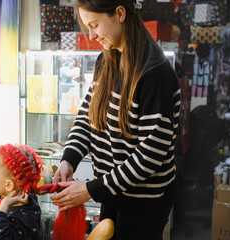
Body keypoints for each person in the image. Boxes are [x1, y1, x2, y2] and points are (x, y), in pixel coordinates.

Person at [50, 1, 181, 239]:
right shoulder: (107, 60)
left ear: (120, 13)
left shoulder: (154, 72)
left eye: (95, 25)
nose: (91, 35)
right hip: (112, 191)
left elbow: (150, 154)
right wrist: (68, 160)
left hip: (145, 201)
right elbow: (87, 118)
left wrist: (91, 190)